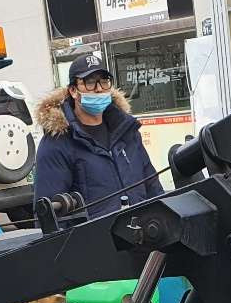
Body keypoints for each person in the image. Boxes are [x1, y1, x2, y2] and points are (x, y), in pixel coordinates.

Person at [34, 53, 164, 219]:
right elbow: (48, 215)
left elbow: (153, 187)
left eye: (104, 81)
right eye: (90, 82)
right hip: (97, 235)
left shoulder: (127, 132)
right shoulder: (57, 143)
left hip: (141, 231)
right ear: (73, 91)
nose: (99, 88)